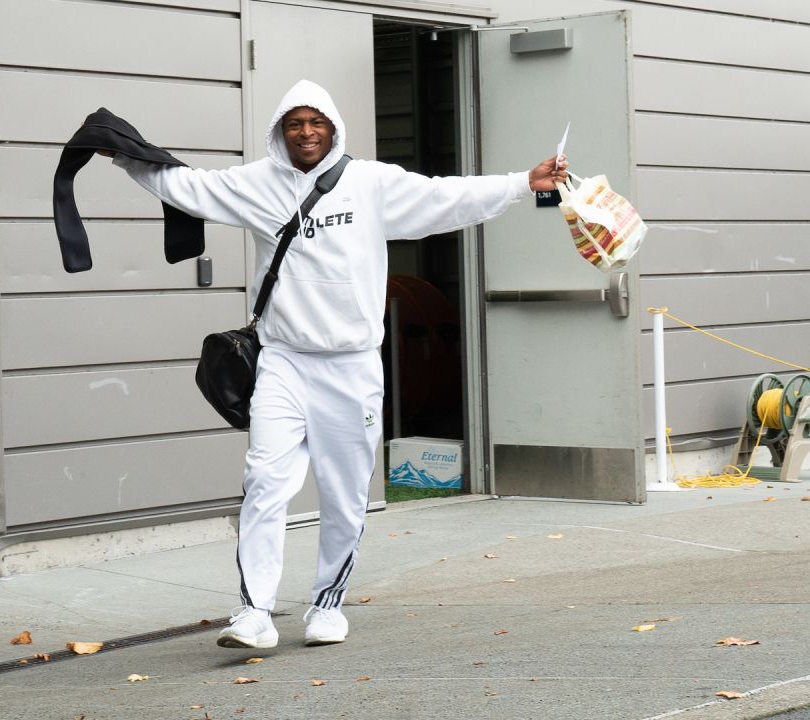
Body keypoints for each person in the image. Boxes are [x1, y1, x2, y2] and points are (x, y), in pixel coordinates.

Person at [106, 79, 567, 649]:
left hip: (351, 367)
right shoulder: (257, 184)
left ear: (332, 127)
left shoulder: (373, 183)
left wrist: (523, 182)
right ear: (281, 131)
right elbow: (186, 187)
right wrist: (125, 156)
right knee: (264, 484)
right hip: (283, 361)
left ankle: (327, 605)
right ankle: (254, 612)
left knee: (345, 496)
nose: (305, 132)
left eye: (315, 122)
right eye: (294, 123)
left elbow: (447, 197)